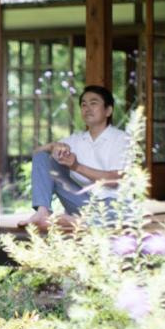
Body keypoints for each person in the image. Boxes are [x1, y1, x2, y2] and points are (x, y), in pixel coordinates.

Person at [18, 85, 131, 230]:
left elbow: (114, 181)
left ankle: (79, 221)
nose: (87, 108)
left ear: (108, 111)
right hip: (81, 202)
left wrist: (76, 166)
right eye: (83, 105)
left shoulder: (121, 139)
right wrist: (53, 145)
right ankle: (42, 212)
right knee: (43, 157)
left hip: (112, 203)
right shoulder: (75, 140)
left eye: (93, 103)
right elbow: (36, 154)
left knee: (120, 217)